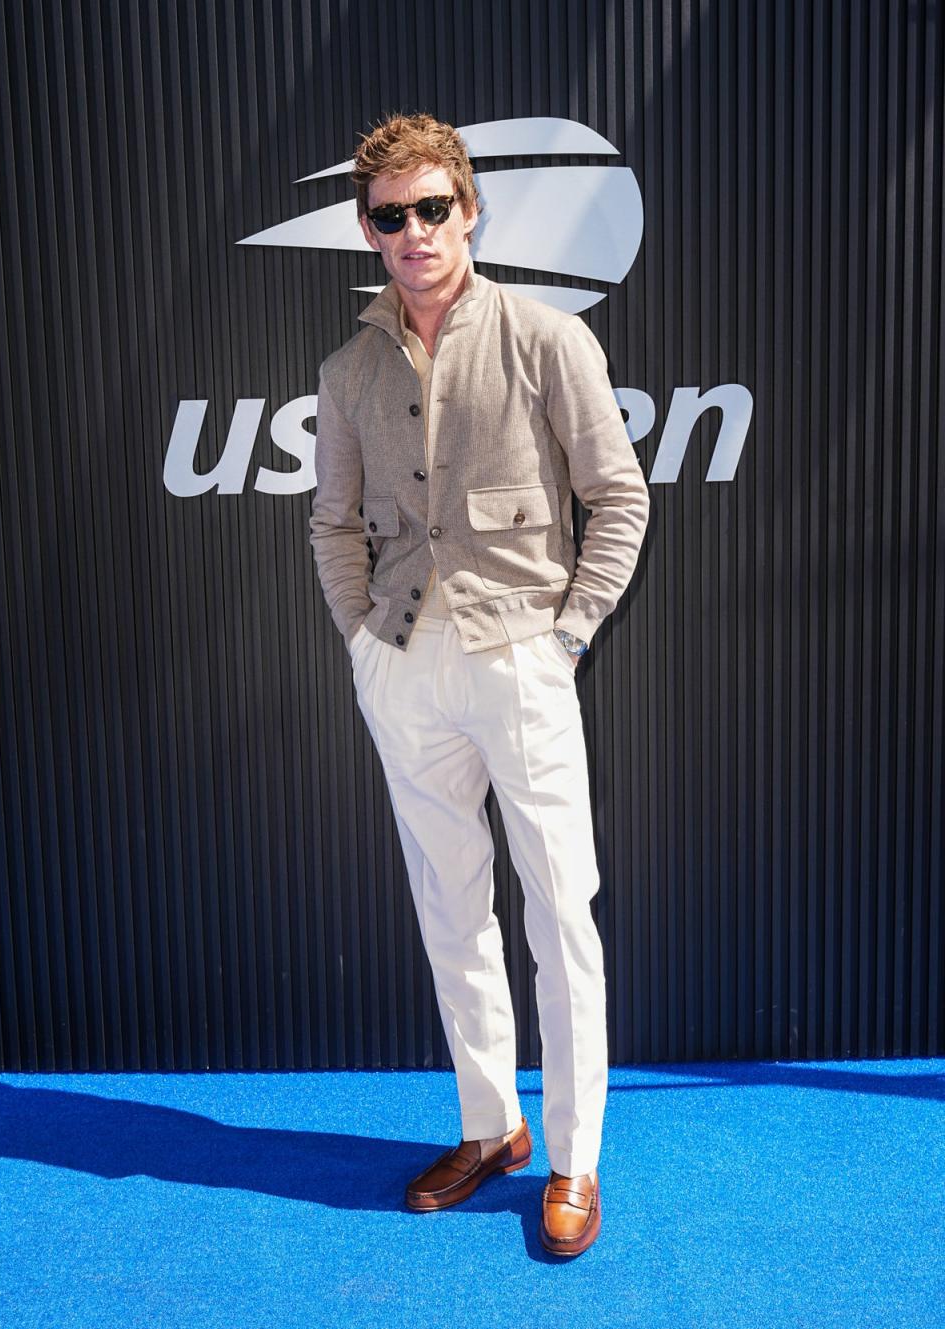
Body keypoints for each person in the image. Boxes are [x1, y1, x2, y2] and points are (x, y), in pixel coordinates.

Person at [308, 112, 649, 1257]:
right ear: (368, 229)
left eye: (434, 208)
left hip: (523, 659)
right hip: (405, 669)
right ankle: (489, 1127)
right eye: (392, 215)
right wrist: (361, 641)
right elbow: (332, 522)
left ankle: (574, 1161)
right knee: (453, 908)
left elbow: (621, 499)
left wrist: (565, 640)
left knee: (560, 912)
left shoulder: (548, 338)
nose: (416, 232)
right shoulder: (348, 368)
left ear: (471, 209)